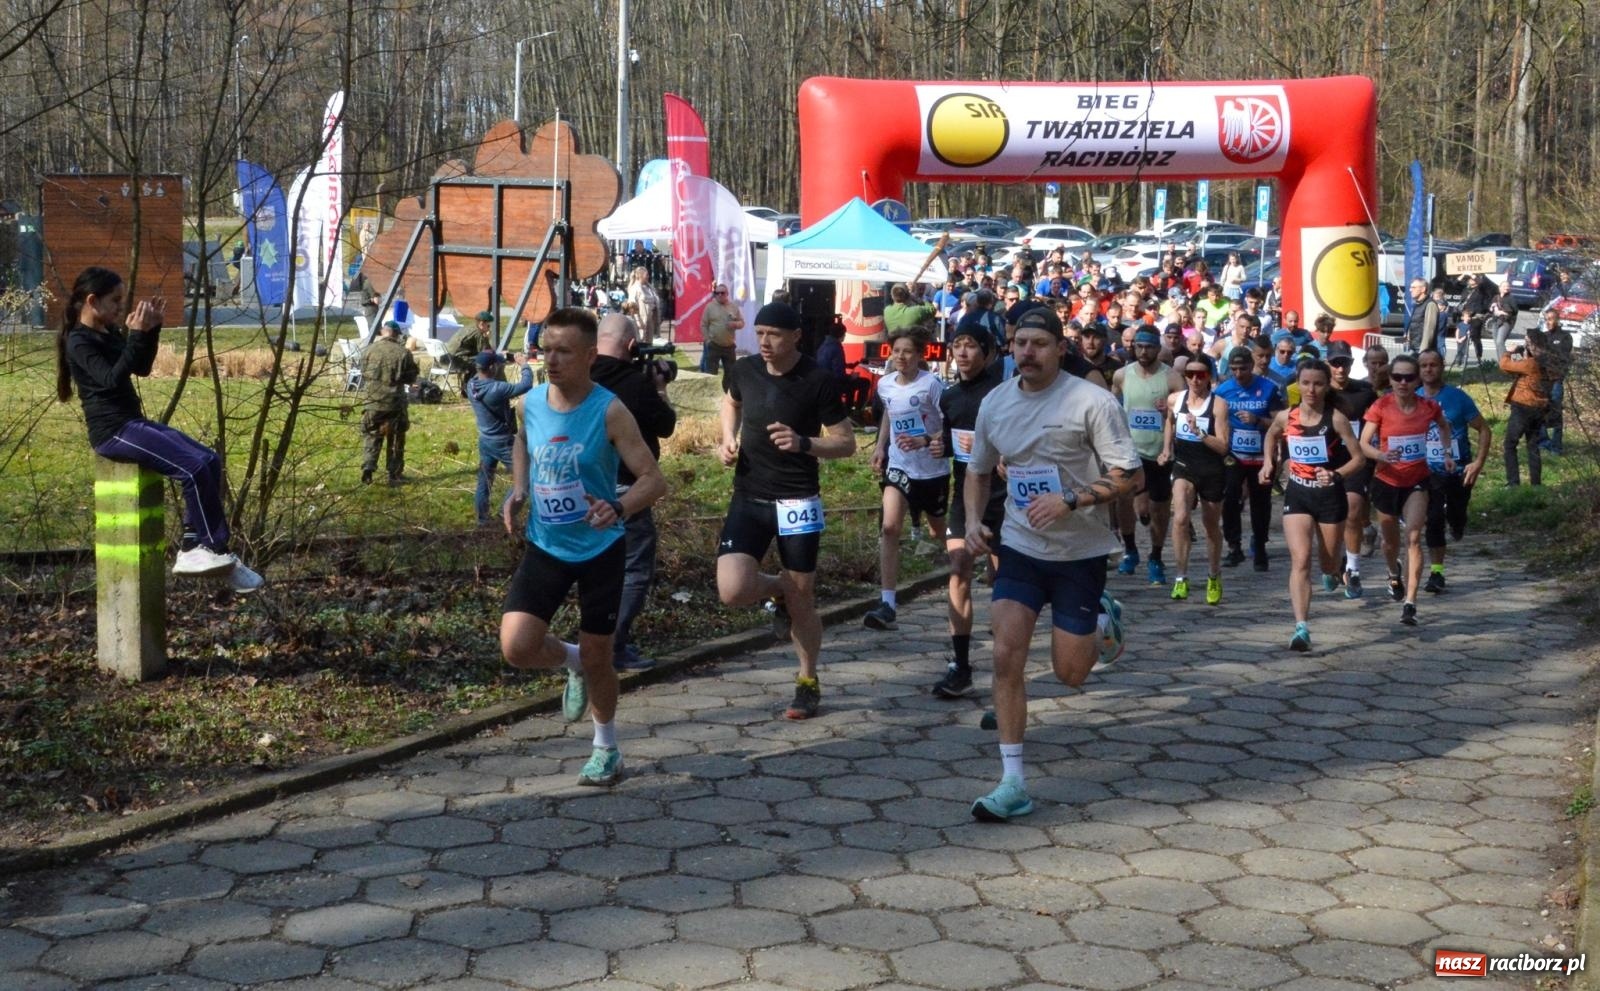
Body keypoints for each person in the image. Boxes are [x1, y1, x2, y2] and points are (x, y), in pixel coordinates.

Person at [962, 307, 1140, 820]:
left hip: (1080, 552)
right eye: (1019, 343)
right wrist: (975, 521)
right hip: (1020, 546)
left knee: (1071, 674)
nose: (1027, 353)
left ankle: (1104, 618)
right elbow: (976, 472)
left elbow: (1129, 477)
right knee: (1004, 656)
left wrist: (1074, 500)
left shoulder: (1092, 401)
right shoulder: (996, 403)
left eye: (1039, 343)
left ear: (1061, 349)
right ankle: (1012, 782)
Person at [501, 307, 668, 788]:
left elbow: (654, 482)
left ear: (591, 356)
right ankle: (572, 661)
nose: (550, 359)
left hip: (600, 548)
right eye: (546, 348)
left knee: (602, 655)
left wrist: (617, 507)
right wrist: (519, 488)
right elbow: (521, 441)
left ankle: (606, 749)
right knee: (516, 646)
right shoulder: (530, 402)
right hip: (547, 545)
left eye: (563, 352)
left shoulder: (609, 410)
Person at [57, 266, 263, 593]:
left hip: (131, 422)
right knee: (191, 468)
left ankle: (193, 548)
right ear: (92, 301)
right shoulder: (79, 342)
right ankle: (215, 550)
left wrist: (150, 331)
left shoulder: (107, 333)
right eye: (115, 301)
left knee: (209, 459)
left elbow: (139, 366)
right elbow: (111, 379)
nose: (120, 308)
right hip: (113, 431)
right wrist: (136, 334)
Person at [716, 302, 856, 719]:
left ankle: (807, 679)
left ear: (796, 336)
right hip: (750, 495)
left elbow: (846, 443)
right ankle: (780, 588)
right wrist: (727, 438)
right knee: (732, 589)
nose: (764, 342)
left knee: (803, 599)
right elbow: (731, 401)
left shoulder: (819, 380)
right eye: (759, 333)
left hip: (798, 500)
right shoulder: (745, 370)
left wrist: (804, 443)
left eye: (774, 334)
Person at [589, 313, 678, 670]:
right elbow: (667, 426)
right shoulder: (636, 384)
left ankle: (589, 642)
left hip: (580, 490)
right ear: (631, 346)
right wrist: (659, 386)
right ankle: (614, 646)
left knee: (590, 570)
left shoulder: (580, 377)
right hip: (627, 492)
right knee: (634, 568)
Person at [1259, 359, 1366, 651]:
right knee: (1301, 559)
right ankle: (1301, 627)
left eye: (1318, 383)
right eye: (1305, 383)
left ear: (1326, 385)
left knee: (1327, 562)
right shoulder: (1287, 416)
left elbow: (1359, 459)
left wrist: (1336, 475)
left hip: (1330, 497)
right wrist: (1268, 462)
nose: (1311, 389)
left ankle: (1332, 571)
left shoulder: (1336, 419)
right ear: (1298, 384)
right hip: (1298, 494)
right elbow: (1270, 435)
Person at [932, 323, 1006, 699]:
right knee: (958, 569)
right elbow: (951, 442)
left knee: (1002, 584)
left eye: (971, 346)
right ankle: (960, 666)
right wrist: (937, 445)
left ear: (987, 352)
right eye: (957, 346)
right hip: (965, 495)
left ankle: (1005, 668)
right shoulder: (948, 396)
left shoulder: (1003, 394)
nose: (962, 353)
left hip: (1005, 498)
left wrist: (1010, 456)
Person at [1359, 353, 1453, 627]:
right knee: (1390, 543)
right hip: (1387, 481)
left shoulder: (1429, 406)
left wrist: (1446, 453)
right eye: (1397, 377)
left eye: (1408, 377)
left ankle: (1410, 602)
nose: (1402, 382)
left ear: (1417, 380)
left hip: (1417, 481)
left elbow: (1445, 427)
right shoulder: (1381, 406)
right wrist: (1381, 455)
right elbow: (1363, 443)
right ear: (1390, 379)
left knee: (1413, 537)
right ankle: (1393, 572)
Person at [865, 328, 948, 631]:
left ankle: (962, 567)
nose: (900, 356)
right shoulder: (885, 384)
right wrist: (880, 447)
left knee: (939, 531)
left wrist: (926, 439)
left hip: (932, 470)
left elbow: (950, 425)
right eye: (896, 351)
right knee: (890, 528)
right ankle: (887, 603)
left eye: (907, 351)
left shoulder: (932, 385)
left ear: (920, 355)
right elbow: (889, 413)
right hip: (899, 467)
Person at [1111, 328, 1182, 585]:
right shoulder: (1122, 375)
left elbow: (1183, 415)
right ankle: (1130, 549)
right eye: (1139, 346)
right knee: (1124, 499)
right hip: (1130, 451)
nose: (1143, 352)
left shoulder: (1172, 378)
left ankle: (1156, 555)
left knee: (1159, 507)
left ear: (1157, 348)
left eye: (1149, 347)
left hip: (1160, 453)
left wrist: (1168, 412)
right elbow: (1112, 408)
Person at [1160, 353, 1232, 604]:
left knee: (1210, 525)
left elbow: (1224, 447)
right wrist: (1166, 449)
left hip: (1212, 469)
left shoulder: (1219, 405)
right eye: (1189, 374)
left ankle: (1213, 575)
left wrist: (1200, 432)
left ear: (1208, 377)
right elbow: (1169, 422)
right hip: (1184, 465)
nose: (1194, 379)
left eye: (1200, 375)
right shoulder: (1175, 400)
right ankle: (1181, 577)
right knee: (1180, 518)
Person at [1417, 350, 1491, 593]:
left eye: (1433, 365)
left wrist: (1478, 463)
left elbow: (1484, 429)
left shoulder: (1458, 398)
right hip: (1429, 471)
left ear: (1442, 367)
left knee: (1456, 514)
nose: (1429, 370)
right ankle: (1436, 573)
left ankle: (1458, 521)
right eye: (1424, 365)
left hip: (1459, 469)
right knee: (1434, 518)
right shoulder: (1413, 398)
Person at [1215, 345, 1283, 571]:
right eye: (1233, 369)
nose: (1238, 374)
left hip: (1261, 454)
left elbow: (1279, 423)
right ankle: (1234, 546)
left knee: (1260, 503)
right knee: (1231, 498)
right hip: (1234, 454)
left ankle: (1260, 547)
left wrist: (1257, 420)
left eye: (1242, 368)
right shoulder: (1223, 391)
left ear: (1252, 366)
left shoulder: (1268, 389)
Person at [1326, 341, 1377, 595]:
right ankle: (1335, 563)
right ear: (1328, 365)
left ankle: (1354, 570)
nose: (1340, 368)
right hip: (1326, 463)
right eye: (1335, 363)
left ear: (1351, 364)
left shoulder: (1365, 392)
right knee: (1332, 519)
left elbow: (1378, 424)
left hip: (1357, 461)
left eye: (1344, 363)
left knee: (1353, 510)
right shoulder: (1319, 392)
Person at [467, 349, 535, 527]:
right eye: (497, 364)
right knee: (525, 477)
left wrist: (502, 356)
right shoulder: (497, 389)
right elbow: (526, 385)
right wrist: (524, 365)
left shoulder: (471, 384)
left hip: (485, 438)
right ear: (491, 367)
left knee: (485, 480)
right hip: (502, 441)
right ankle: (505, 513)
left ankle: (482, 520)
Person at [361, 318, 420, 485]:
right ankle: (394, 473)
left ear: (382, 332)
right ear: (397, 335)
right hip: (394, 403)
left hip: (372, 401)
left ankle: (368, 467)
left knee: (372, 434)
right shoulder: (403, 353)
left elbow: (363, 372)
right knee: (395, 438)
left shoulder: (368, 350)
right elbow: (410, 378)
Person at [1499, 328, 1555, 486]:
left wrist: (1510, 352)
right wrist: (1520, 353)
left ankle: (1513, 483)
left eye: (1527, 342)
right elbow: (1519, 365)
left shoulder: (1531, 363)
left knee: (1510, 444)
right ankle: (1536, 484)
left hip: (1523, 406)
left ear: (1534, 344)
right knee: (1533, 445)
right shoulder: (1547, 361)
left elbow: (1505, 365)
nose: (1526, 345)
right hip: (1540, 407)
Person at [1539, 308, 1573, 455]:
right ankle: (1544, 442)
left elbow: (1562, 356)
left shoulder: (1565, 337)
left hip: (1556, 380)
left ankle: (1556, 446)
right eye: (1547, 319)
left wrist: (1547, 354)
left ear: (1557, 320)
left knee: (1556, 412)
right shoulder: (1543, 336)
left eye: (1551, 319)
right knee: (1540, 411)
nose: (1549, 322)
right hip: (1543, 379)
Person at [701, 282, 744, 385]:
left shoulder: (733, 307)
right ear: (715, 294)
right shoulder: (709, 307)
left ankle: (727, 393)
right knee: (711, 373)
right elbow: (703, 324)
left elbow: (742, 323)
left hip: (729, 346)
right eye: (717, 293)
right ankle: (711, 393)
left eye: (722, 293)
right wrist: (708, 340)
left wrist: (735, 324)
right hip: (714, 345)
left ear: (727, 294)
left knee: (731, 373)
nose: (720, 295)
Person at [1457, 273, 1496, 365]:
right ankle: (1460, 358)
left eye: (1473, 279)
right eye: (1469, 279)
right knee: (1461, 336)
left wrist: (1474, 276)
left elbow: (1484, 285)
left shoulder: (1481, 289)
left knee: (1475, 336)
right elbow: (1456, 284)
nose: (1471, 280)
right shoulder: (1466, 289)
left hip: (1476, 317)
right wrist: (1463, 274)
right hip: (1465, 317)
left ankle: (1479, 356)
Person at [452, 310, 496, 390]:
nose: (489, 328)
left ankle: (467, 388)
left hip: (449, 358)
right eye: (488, 325)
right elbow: (485, 352)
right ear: (482, 324)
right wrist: (486, 338)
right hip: (457, 361)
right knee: (484, 362)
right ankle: (474, 388)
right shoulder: (478, 333)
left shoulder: (469, 327)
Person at [1405, 279, 1443, 354]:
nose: (1410, 290)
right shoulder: (1417, 304)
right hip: (1414, 346)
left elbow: (1429, 330)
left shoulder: (1430, 304)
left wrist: (1423, 351)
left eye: (1413, 287)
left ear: (1423, 289)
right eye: (1410, 287)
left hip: (1422, 350)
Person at [626, 267, 662, 341]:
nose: (648, 276)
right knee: (641, 340)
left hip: (651, 319)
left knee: (650, 341)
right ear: (640, 275)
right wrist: (638, 322)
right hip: (641, 320)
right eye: (646, 275)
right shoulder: (634, 289)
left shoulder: (650, 288)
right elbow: (632, 306)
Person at [1489, 280, 1520, 362]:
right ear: (1500, 288)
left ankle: (1505, 362)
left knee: (1500, 341)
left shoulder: (1511, 298)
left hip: (1506, 322)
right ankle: (1501, 363)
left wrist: (1502, 311)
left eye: (1508, 286)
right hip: (1495, 321)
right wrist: (1493, 308)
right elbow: (1490, 308)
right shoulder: (1496, 297)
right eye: (1504, 286)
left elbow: (1515, 310)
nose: (1506, 287)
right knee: (1497, 344)